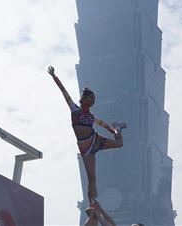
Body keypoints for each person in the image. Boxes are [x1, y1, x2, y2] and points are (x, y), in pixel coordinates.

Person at [47, 66, 126, 209]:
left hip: (96, 140)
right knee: (91, 178)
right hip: (86, 149)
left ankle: (119, 127)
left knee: (119, 143)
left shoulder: (92, 117)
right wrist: (54, 76)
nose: (92, 101)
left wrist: (114, 130)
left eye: (94, 99)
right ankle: (92, 205)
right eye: (90, 98)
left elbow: (103, 125)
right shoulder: (74, 109)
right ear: (83, 98)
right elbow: (64, 92)